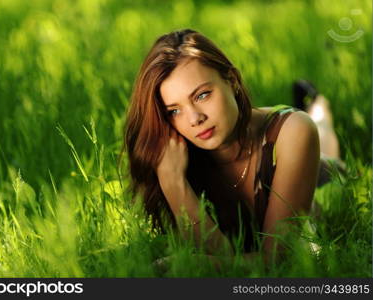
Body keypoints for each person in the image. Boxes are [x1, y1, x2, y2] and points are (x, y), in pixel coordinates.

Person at [124, 29, 339, 269]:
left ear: (232, 81)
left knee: (325, 147)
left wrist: (195, 264)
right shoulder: (173, 158)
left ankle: (317, 104)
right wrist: (172, 182)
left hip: (309, 172)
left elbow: (275, 262)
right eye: (174, 110)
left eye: (202, 95)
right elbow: (221, 256)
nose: (194, 119)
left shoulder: (292, 132)